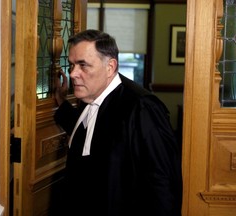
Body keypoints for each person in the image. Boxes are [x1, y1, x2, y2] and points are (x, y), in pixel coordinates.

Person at [53, 29, 182, 216]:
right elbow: (94, 135)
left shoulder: (142, 107)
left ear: (110, 67)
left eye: (83, 65)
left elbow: (162, 183)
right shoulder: (91, 95)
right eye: (72, 65)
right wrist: (62, 102)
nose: (73, 74)